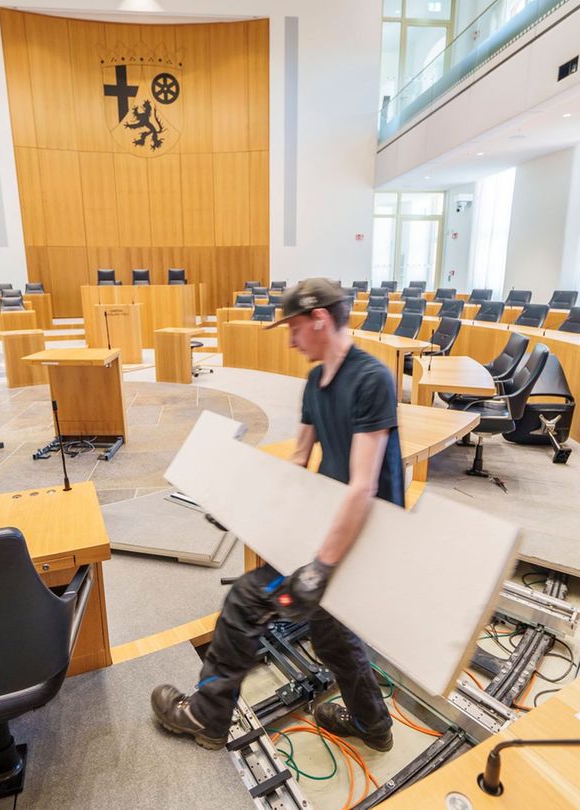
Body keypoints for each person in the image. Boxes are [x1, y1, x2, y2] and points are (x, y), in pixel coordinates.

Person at [152, 278, 405, 751]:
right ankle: (374, 726)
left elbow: (363, 486)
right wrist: (250, 508)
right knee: (330, 632)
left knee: (248, 601)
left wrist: (323, 565)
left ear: (320, 319)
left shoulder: (372, 379)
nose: (289, 340)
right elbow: (299, 458)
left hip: (363, 534)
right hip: (329, 520)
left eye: (293, 327)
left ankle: (206, 717)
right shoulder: (315, 381)